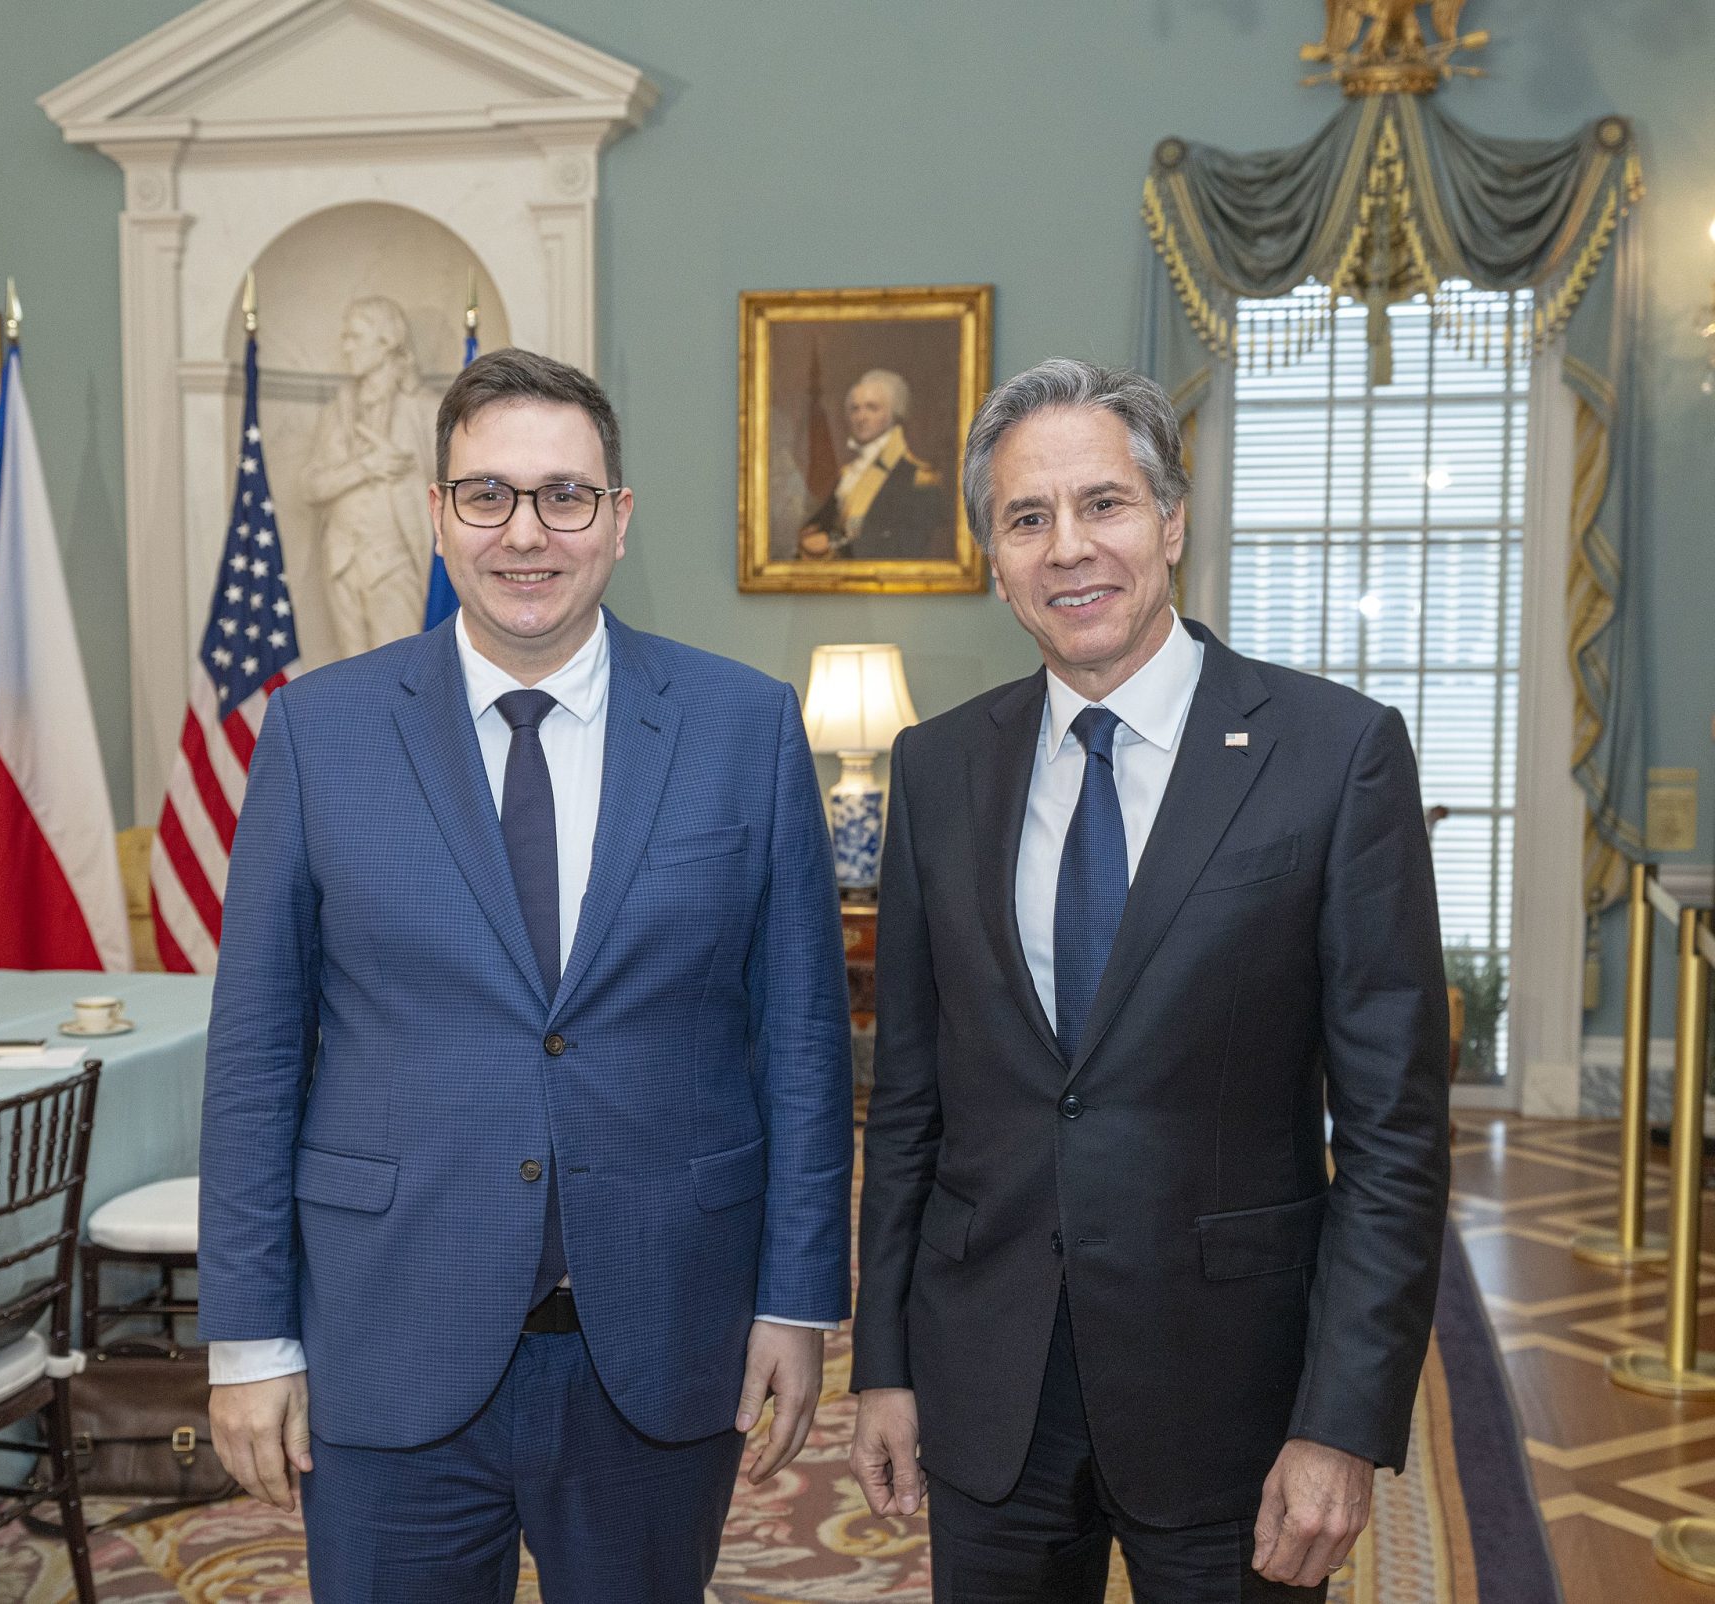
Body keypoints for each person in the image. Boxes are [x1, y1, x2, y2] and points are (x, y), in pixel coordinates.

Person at [201, 347, 853, 1602]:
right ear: (436, 516)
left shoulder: (743, 725)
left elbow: (805, 1044)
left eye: (564, 494)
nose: (526, 532)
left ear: (615, 519)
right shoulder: (319, 732)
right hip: (389, 1335)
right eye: (487, 494)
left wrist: (797, 1298)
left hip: (664, 1336)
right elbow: (255, 1058)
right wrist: (246, 1337)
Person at [848, 358, 1451, 1601]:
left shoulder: (1334, 758)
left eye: (1103, 504)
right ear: (994, 556)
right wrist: (886, 1366)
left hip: (1232, 1398)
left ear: (1171, 520)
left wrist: (1340, 1420)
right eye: (1028, 518)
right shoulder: (940, 769)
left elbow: (1395, 1135)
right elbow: (907, 1104)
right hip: (990, 1391)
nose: (1069, 548)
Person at [302, 295, 445, 658]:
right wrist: (365, 467)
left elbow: (455, 487)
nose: (345, 346)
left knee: (400, 669)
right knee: (350, 674)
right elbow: (311, 486)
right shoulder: (337, 411)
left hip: (397, 560)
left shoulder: (425, 409)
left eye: (355, 337)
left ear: (385, 344)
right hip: (342, 559)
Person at [798, 367, 951, 562]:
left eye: (872, 408)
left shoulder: (918, 478)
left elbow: (904, 546)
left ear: (894, 413)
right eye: (855, 408)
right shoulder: (848, 473)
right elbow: (819, 527)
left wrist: (833, 544)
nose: (861, 417)